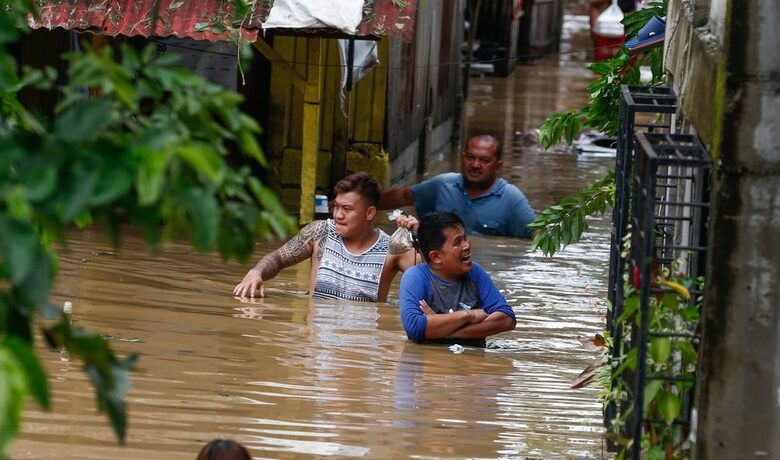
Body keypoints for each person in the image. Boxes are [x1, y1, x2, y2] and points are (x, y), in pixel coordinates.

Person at [233, 172, 419, 302]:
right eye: (336, 207)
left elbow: (435, 276)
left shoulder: (393, 249)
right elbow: (278, 259)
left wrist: (418, 237)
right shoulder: (319, 232)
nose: (338, 215)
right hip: (318, 351)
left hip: (360, 352)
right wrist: (256, 272)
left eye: (347, 209)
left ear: (370, 213)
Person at [378, 134, 536, 238]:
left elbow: (539, 237)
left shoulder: (511, 199)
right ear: (462, 158)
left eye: (484, 160)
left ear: (498, 166)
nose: (475, 165)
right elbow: (403, 197)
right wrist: (366, 206)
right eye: (470, 157)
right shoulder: (443, 185)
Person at [398, 212, 516, 347]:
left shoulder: (475, 272)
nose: (467, 245)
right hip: (432, 365)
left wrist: (444, 331)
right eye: (458, 242)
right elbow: (415, 328)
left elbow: (507, 319)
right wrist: (468, 315)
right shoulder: (416, 277)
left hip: (472, 365)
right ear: (436, 256)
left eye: (465, 238)